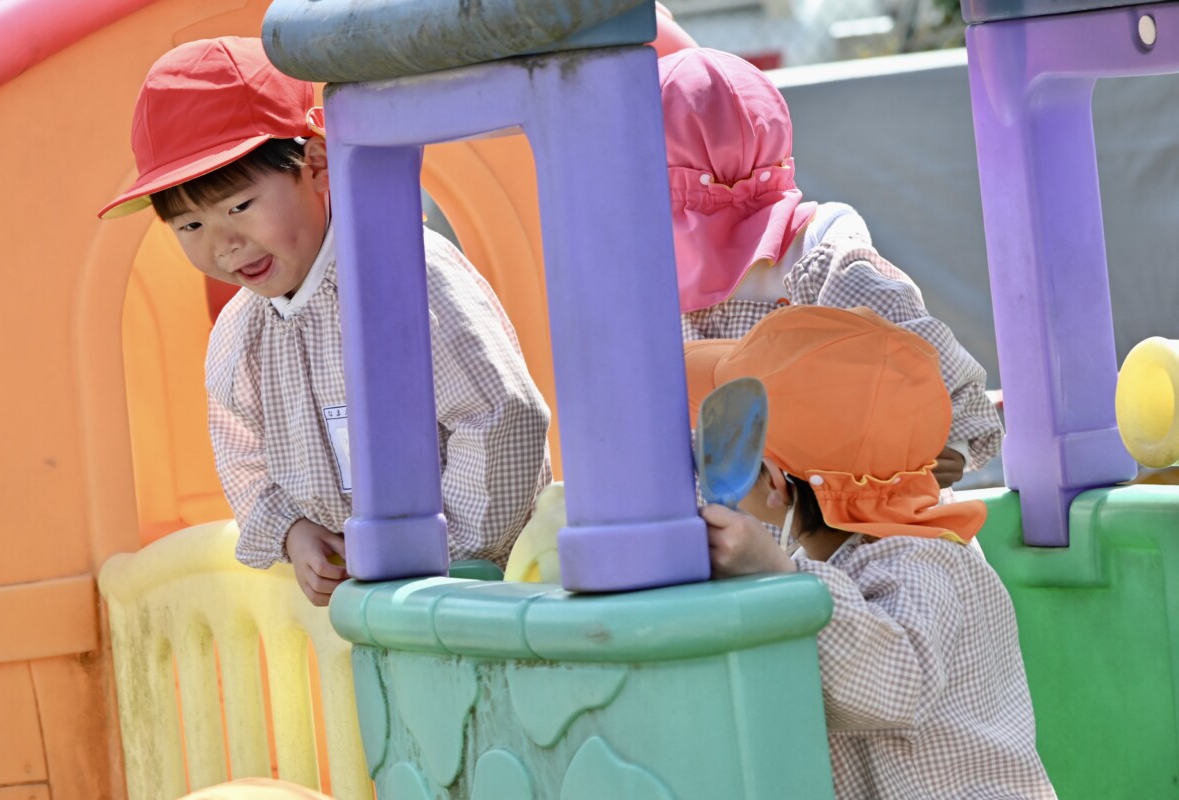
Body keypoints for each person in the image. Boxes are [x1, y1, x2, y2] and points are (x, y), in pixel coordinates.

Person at [99, 37, 552, 605]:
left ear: (315, 165)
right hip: (372, 596)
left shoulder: (404, 274)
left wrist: (446, 554)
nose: (224, 243)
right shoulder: (241, 333)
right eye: (191, 226)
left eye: (240, 206)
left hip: (485, 590)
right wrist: (291, 531)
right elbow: (242, 452)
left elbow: (501, 415)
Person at [685, 305, 1056, 799]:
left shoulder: (923, 563)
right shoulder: (841, 559)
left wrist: (779, 577)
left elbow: (892, 684)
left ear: (775, 481)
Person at [661, 47, 1002, 489]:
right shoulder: (639, 278)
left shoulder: (818, 257)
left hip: (836, 515)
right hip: (718, 520)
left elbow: (933, 368)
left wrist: (950, 443)